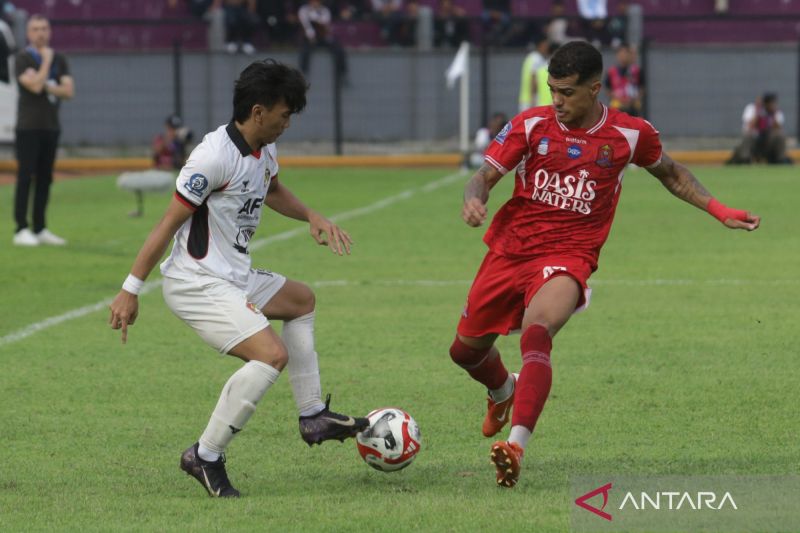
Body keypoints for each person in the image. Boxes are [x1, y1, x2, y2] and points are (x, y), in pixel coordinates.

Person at [452, 41, 760, 488]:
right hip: (511, 251)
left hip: (569, 255)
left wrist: (720, 210)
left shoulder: (630, 134)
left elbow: (673, 174)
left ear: (594, 88)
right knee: (464, 352)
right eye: (552, 90)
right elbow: (482, 177)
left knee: (539, 331)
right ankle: (503, 389)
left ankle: (515, 446)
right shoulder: (531, 124)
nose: (557, 101)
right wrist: (473, 200)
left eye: (567, 92)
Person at [108, 59, 369, 498]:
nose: (288, 123)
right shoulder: (212, 158)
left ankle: (312, 416)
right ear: (258, 111)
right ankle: (205, 455)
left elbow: (272, 189)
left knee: (301, 300)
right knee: (270, 355)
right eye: (284, 114)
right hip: (196, 282)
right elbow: (167, 224)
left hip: (234, 275)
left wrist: (311, 215)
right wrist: (130, 291)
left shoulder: (264, 147)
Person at [12, 14, 74, 247]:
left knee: (45, 178)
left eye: (44, 28)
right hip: (28, 127)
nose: (41, 33)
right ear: (29, 33)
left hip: (51, 126)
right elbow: (35, 87)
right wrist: (46, 64)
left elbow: (68, 91)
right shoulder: (23, 58)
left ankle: (39, 228)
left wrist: (45, 83)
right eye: (36, 29)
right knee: (25, 176)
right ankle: (21, 228)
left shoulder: (61, 58)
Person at [727, 93, 792, 165]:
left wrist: (773, 114)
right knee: (748, 135)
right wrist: (758, 112)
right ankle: (744, 159)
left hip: (768, 141)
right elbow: (749, 127)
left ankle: (780, 159)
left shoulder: (776, 112)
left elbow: (778, 129)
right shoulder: (752, 109)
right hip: (754, 140)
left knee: (780, 135)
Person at [298, 0, 349, 82]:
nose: (315, 3)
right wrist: (311, 36)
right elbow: (306, 25)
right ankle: (303, 75)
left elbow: (324, 25)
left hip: (322, 37)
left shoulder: (325, 10)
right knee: (304, 51)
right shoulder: (304, 10)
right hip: (309, 38)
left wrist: (317, 23)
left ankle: (342, 74)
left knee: (338, 49)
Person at [603, 43, 643, 117]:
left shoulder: (636, 71)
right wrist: (619, 98)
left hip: (633, 107)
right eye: (621, 53)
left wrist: (634, 99)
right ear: (617, 55)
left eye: (626, 53)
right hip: (617, 107)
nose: (623, 56)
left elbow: (642, 88)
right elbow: (607, 88)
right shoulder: (611, 71)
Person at [518, 37, 551, 112]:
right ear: (540, 45)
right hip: (531, 100)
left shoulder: (530, 57)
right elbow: (533, 79)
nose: (547, 48)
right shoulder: (537, 59)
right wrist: (533, 99)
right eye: (546, 45)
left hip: (526, 99)